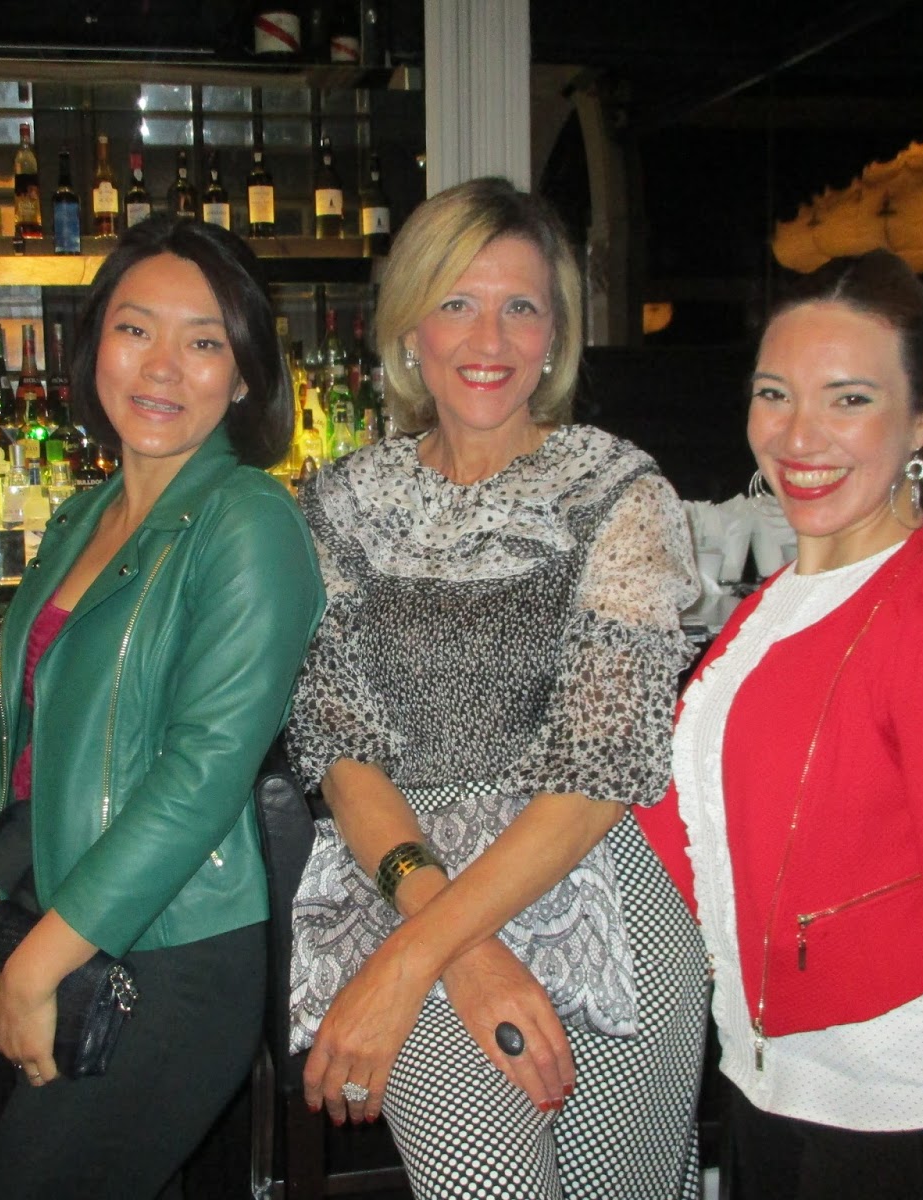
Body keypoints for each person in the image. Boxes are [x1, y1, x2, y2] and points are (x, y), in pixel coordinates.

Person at [285, 176, 709, 1198]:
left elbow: (601, 764)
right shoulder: (336, 502)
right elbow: (338, 747)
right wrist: (444, 952)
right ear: (410, 329)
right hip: (401, 877)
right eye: (457, 302)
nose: (490, 338)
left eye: (521, 306)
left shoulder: (619, 488)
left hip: (600, 897)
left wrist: (416, 955)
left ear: (556, 336)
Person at [658, 249, 923, 1198]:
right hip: (765, 1084)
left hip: (897, 1115)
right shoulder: (776, 600)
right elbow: (696, 832)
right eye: (774, 394)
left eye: (848, 399)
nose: (798, 435)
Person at [0, 215, 325, 1198]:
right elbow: (15, 725)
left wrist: (34, 967)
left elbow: (203, 777)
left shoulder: (249, 520)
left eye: (204, 342)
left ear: (245, 376)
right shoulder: (84, 516)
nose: (161, 367)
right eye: (135, 328)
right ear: (94, 346)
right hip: (59, 921)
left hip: (172, 954)